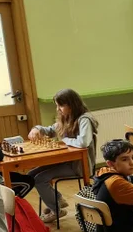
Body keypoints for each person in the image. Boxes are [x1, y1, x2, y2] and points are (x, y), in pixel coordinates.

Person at [28, 89, 98, 223]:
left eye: (60, 106)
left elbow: (83, 142)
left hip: (80, 166)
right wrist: (36, 128)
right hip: (67, 162)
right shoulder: (66, 118)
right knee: (31, 175)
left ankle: (56, 209)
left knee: (40, 179)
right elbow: (50, 130)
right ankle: (57, 200)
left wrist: (65, 140)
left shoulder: (85, 119)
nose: (58, 109)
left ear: (71, 105)